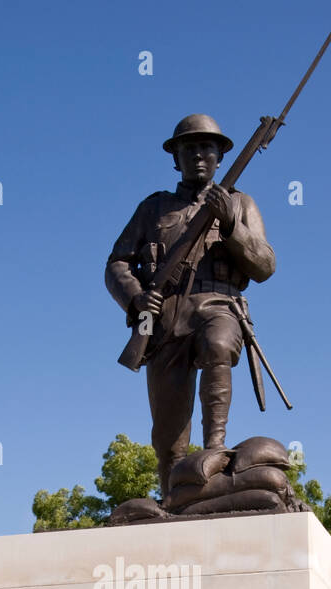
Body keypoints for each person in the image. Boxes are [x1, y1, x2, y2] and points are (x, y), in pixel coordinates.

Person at [105, 115, 276, 498]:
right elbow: (117, 263)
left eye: (207, 148)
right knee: (168, 439)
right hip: (163, 318)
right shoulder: (153, 209)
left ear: (219, 157)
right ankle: (174, 498)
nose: (199, 154)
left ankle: (215, 447)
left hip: (218, 304)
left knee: (218, 342)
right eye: (189, 148)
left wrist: (233, 225)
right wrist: (135, 297)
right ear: (175, 158)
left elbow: (265, 265)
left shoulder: (240, 203)